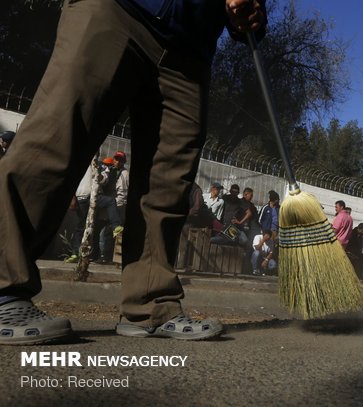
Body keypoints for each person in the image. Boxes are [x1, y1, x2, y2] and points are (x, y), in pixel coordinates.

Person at [0, 0, 266, 345]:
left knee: (167, 182)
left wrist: (248, 15)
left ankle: (152, 306)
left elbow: (250, 19)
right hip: (116, 9)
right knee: (55, 139)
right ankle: (4, 288)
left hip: (189, 47)